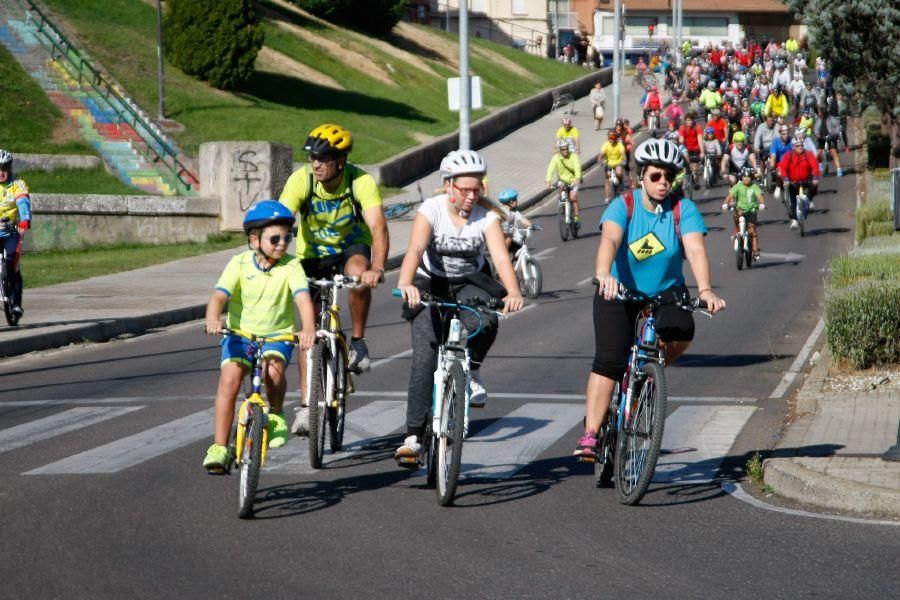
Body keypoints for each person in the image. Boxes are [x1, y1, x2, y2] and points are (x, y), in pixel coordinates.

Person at [574, 139, 725, 459]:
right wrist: (604, 274)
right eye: (655, 176)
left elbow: (696, 250)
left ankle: (645, 374)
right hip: (620, 290)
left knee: (683, 329)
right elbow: (610, 240)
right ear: (640, 176)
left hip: (665, 291)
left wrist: (706, 289)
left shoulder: (683, 210)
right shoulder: (624, 205)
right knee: (609, 360)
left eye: (669, 177)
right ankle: (590, 432)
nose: (663, 183)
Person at [393, 150, 524, 466]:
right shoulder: (432, 209)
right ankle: (413, 436)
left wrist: (514, 292)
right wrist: (406, 282)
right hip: (430, 282)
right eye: (464, 189)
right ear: (448, 185)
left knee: (488, 321)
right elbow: (414, 249)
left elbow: (502, 258)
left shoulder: (487, 217)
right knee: (424, 358)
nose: (470, 196)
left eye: (476, 189)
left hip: (470, 282)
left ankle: (472, 370)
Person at [202, 201, 317, 472]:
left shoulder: (291, 266)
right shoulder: (238, 263)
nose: (282, 244)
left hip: (277, 336)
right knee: (229, 380)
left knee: (272, 374)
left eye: (287, 237)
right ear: (254, 240)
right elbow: (219, 295)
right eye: (275, 238)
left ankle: (276, 415)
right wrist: (213, 317)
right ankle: (219, 447)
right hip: (241, 335)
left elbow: (302, 299)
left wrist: (308, 328)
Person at [280, 124, 388, 376]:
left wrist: (377, 267)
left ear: (340, 161)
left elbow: (379, 228)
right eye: (312, 158)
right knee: (310, 330)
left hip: (350, 248)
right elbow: (282, 221)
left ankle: (358, 342)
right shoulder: (302, 179)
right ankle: (309, 407)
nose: (315, 164)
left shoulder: (359, 181)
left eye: (323, 159)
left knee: (359, 275)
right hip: (311, 256)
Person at [0, 150, 31, 321]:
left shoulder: (17, 184)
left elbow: (23, 203)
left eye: (4, 168)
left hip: (11, 231)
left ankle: (16, 303)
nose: (1, 172)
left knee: (12, 264)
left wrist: (25, 219)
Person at [723, 167, 766, 261]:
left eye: (749, 177)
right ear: (741, 177)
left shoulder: (754, 186)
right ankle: (737, 232)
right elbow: (730, 195)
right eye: (744, 177)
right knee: (737, 218)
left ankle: (754, 251)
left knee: (752, 232)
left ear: (751, 178)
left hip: (751, 212)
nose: (746, 179)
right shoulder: (738, 186)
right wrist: (725, 204)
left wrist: (762, 204)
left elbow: (759, 195)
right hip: (740, 211)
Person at [777, 136, 820, 229]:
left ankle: (809, 199)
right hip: (793, 182)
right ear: (793, 147)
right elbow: (783, 167)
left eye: (801, 145)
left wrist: (816, 176)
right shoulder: (789, 155)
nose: (800, 147)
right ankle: (794, 220)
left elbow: (815, 165)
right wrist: (785, 179)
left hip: (806, 180)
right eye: (797, 146)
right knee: (792, 199)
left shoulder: (808, 154)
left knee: (814, 186)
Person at [546, 139, 583, 225]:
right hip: (562, 180)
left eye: (567, 149)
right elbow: (550, 169)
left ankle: (576, 218)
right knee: (562, 190)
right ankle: (563, 208)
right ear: (560, 150)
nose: (565, 151)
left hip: (573, 180)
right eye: (563, 149)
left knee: (573, 197)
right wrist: (548, 181)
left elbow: (577, 167)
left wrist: (577, 178)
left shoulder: (573, 156)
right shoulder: (556, 158)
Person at [498, 188, 533, 254]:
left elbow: (522, 220)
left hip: (506, 239)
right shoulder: (504, 214)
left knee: (519, 251)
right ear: (511, 202)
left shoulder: (513, 212)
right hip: (499, 240)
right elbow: (504, 232)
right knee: (509, 237)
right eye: (516, 199)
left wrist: (532, 225)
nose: (517, 201)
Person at [814, 106, 843, 176]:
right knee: (817, 153)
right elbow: (816, 128)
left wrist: (834, 134)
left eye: (820, 113)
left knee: (833, 152)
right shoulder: (818, 119)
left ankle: (839, 169)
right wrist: (817, 135)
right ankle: (820, 164)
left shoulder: (831, 118)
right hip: (821, 138)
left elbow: (837, 127)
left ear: (823, 113)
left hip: (830, 138)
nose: (819, 114)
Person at [678, 112, 705, 188]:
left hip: (695, 149)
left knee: (695, 168)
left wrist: (702, 152)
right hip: (686, 149)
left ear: (693, 120)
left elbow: (700, 140)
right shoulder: (682, 128)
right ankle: (687, 173)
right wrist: (680, 141)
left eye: (690, 120)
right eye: (687, 120)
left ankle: (696, 181)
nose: (689, 122)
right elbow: (681, 140)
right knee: (685, 156)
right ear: (685, 121)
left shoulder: (697, 127)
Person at [599, 131, 626, 205]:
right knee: (607, 178)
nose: (611, 140)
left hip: (618, 163)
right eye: (609, 138)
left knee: (619, 173)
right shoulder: (606, 144)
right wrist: (599, 160)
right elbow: (601, 154)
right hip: (609, 164)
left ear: (615, 138)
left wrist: (624, 160)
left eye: (613, 138)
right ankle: (607, 197)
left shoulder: (619, 144)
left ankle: (620, 182)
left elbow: (623, 154)